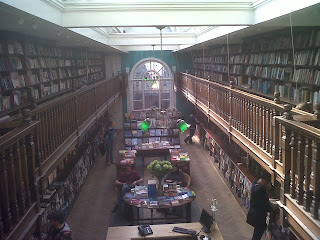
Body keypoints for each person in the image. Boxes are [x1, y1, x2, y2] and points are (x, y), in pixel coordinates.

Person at [247, 175, 273, 240]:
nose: (266, 184)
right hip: (259, 216)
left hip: (255, 215)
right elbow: (264, 203)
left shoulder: (254, 185)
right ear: (263, 180)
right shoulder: (260, 190)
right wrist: (271, 209)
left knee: (256, 234)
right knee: (257, 235)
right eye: (266, 182)